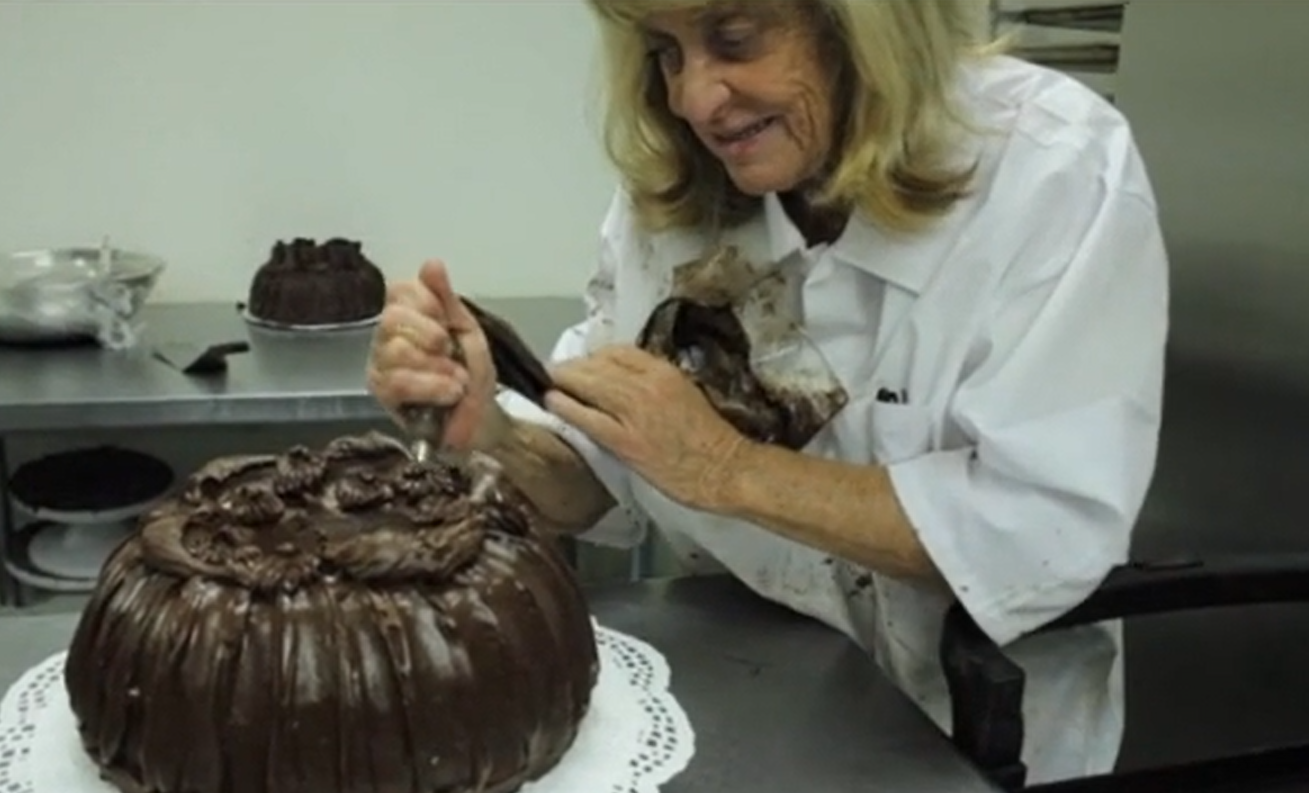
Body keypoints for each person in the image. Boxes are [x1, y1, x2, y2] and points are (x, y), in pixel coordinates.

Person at [367, 0, 1168, 784]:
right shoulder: (683, 186)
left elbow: (1040, 528)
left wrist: (727, 468)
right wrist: (492, 434)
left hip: (965, 736)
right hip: (751, 688)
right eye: (665, 51)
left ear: (863, 25)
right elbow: (592, 482)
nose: (692, 99)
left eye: (735, 36)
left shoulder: (1049, 168)